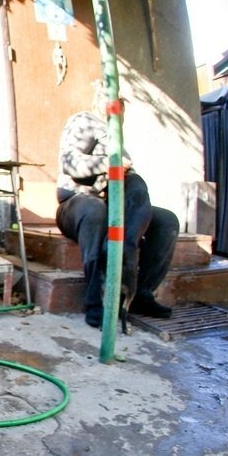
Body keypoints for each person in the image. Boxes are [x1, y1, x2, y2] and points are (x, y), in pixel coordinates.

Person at [55, 85, 179, 328]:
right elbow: (70, 163)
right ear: (102, 104)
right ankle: (95, 300)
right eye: (116, 106)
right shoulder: (84, 121)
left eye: (122, 110)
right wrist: (109, 163)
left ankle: (140, 292)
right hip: (77, 203)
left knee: (166, 220)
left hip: (113, 206)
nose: (120, 114)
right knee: (96, 211)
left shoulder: (117, 137)